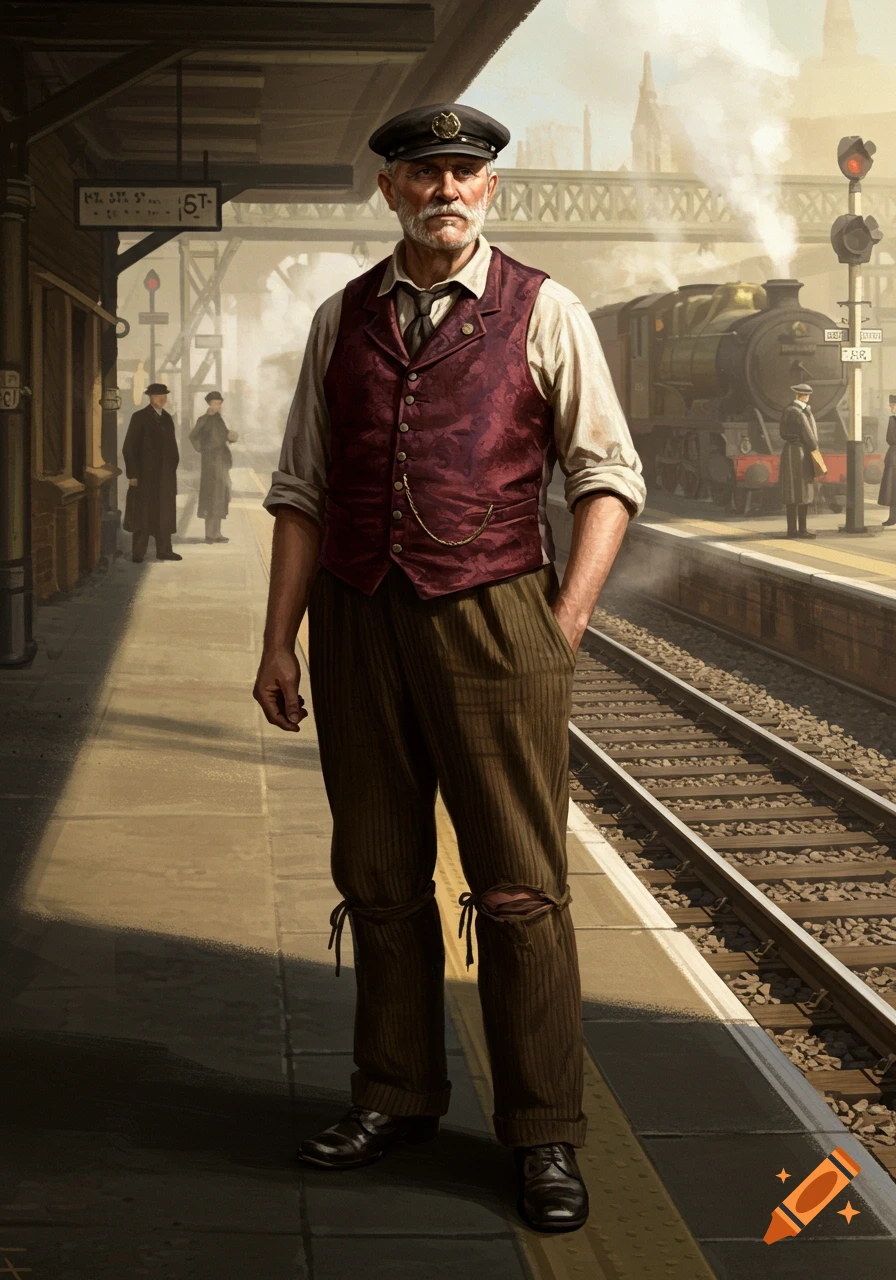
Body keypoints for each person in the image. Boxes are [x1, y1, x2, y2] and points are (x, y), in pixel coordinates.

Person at [253, 102, 646, 1234]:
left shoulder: (544, 308)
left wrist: (559, 624)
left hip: (493, 619)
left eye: (464, 172)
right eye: (423, 173)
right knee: (376, 874)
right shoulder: (342, 319)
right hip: (358, 620)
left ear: (489, 190)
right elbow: (300, 491)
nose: (445, 189)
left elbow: (604, 475)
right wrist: (279, 639)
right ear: (388, 192)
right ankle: (394, 1095)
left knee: (520, 889)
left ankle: (542, 1132)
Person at [122, 382, 182, 562]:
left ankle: (164, 551)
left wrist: (172, 468)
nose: (162, 399)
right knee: (142, 514)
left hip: (164, 477)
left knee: (164, 514)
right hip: (144, 476)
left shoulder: (167, 418)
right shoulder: (139, 417)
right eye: (157, 396)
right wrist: (132, 474)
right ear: (150, 398)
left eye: (164, 396)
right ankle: (138, 553)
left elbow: (172, 447)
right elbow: (128, 448)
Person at [190, 391, 238, 543]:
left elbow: (223, 436)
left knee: (221, 497)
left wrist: (231, 437)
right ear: (210, 403)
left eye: (219, 403)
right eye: (216, 403)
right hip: (210, 464)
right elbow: (193, 436)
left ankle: (217, 533)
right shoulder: (203, 420)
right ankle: (210, 534)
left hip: (221, 462)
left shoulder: (219, 420)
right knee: (211, 497)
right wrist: (203, 450)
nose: (218, 406)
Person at [779, 382, 820, 539]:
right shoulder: (799, 413)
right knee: (803, 492)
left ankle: (792, 530)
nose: (808, 398)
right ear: (802, 396)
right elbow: (810, 438)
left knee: (793, 493)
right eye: (807, 395)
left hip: (790, 451)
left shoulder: (788, 410)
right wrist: (814, 448)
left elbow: (783, 433)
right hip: (801, 452)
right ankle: (801, 530)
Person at [878, 393, 896, 529]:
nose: (890, 408)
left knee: (892, 489)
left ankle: (893, 517)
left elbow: (890, 439)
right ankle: (892, 517)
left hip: (894, 458)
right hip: (893, 459)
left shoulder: (893, 420)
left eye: (892, 405)